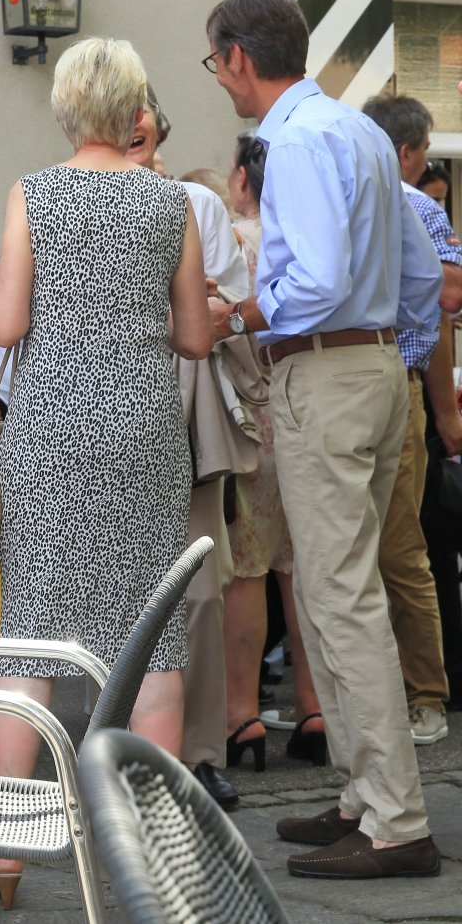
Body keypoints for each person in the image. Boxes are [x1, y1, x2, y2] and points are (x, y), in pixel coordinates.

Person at [205, 0, 442, 880]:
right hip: (375, 369)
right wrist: (389, 347)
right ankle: (363, 796)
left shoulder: (296, 139)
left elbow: (317, 280)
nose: (219, 78)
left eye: (216, 62)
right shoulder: (360, 131)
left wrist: (239, 315)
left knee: (340, 598)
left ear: (238, 56)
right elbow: (420, 269)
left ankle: (394, 821)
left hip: (327, 370)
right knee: (333, 591)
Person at [0, 37, 213, 907]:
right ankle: (152, 853)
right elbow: (194, 337)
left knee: (32, 625)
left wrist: (3, 294)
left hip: (51, 432)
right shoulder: (171, 202)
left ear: (66, 107)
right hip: (145, 432)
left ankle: (8, 852)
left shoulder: (33, 193)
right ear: (136, 109)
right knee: (152, 635)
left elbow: (6, 328)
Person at [127, 84, 250, 810]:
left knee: (198, 593)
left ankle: (199, 752)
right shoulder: (58, 197)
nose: (134, 128)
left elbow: (228, 314)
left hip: (185, 419)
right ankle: (122, 749)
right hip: (102, 426)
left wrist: (200, 302)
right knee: (111, 593)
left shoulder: (196, 204)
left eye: (142, 116)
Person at [220, 133, 328, 769]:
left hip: (248, 417)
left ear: (240, 179)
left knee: (247, 571)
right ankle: (314, 709)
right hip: (301, 405)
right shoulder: (302, 243)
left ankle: (243, 714)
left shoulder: (233, 241)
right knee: (302, 566)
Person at [361, 93, 462, 748]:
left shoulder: (414, 207)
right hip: (380, 384)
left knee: (399, 548)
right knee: (377, 551)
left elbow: (448, 295)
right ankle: (400, 693)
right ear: (404, 151)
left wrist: (444, 409)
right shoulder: (394, 204)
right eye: (424, 152)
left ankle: (425, 693)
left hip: (395, 381)